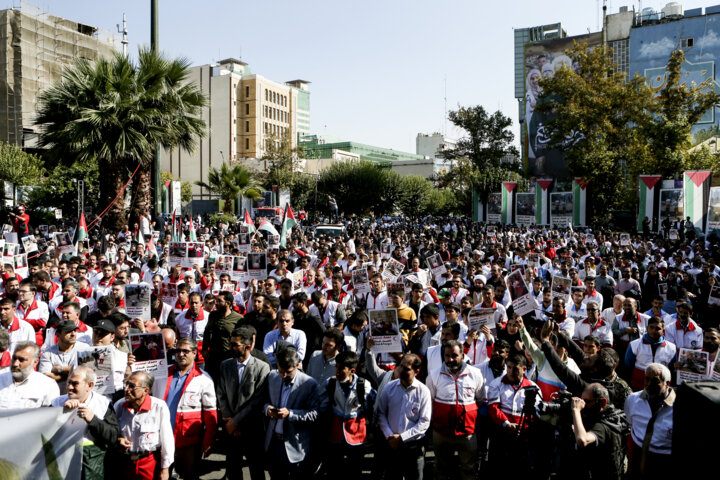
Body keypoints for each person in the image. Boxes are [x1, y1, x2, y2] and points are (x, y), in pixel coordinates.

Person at [158, 338, 217, 480]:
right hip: (163, 438)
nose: (181, 354)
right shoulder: (162, 373)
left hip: (188, 441)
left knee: (189, 476)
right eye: (178, 350)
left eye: (186, 351)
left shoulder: (204, 379)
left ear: (195, 353)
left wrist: (208, 440)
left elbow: (211, 414)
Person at [217, 326, 271, 480]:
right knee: (233, 469)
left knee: (256, 469)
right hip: (230, 428)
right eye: (231, 343)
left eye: (235, 344)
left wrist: (236, 421)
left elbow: (258, 400)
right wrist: (229, 420)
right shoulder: (225, 365)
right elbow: (221, 394)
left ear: (247, 346)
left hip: (252, 428)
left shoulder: (262, 367)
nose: (231, 347)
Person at [425, 340, 484, 480]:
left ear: (462, 355)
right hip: (441, 432)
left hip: (467, 432)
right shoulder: (434, 375)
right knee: (442, 469)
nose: (450, 359)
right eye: (447, 356)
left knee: (468, 469)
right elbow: (429, 401)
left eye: (454, 355)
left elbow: (480, 399)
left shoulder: (475, 374)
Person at [264, 347, 324, 479]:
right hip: (274, 443)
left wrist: (290, 414)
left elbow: (314, 414)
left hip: (295, 447)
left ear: (297, 365)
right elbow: (264, 400)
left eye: (288, 372)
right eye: (280, 371)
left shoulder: (309, 384)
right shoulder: (273, 376)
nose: (283, 375)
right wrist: (267, 409)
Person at [51, 366, 120, 480]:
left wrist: (93, 420)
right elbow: (43, 430)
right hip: (63, 457)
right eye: (69, 382)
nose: (69, 387)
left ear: (90, 385)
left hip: (92, 460)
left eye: (75, 384)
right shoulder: (57, 403)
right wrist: (61, 412)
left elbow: (113, 436)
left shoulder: (103, 404)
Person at [376, 353, 431, 480]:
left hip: (413, 447)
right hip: (391, 445)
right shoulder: (389, 387)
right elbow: (381, 413)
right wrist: (389, 435)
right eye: (400, 366)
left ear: (416, 372)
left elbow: (424, 422)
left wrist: (401, 438)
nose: (401, 370)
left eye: (406, 368)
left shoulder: (423, 391)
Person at [323, 350, 376, 480]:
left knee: (355, 466)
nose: (337, 371)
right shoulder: (330, 383)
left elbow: (374, 404)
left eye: (342, 369)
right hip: (335, 429)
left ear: (352, 371)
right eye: (336, 367)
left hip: (357, 430)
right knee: (334, 467)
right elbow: (322, 403)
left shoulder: (364, 386)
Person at [114, 371, 174, 480]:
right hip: (125, 463)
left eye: (132, 386)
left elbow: (167, 440)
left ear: (146, 390)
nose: (126, 389)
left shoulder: (159, 407)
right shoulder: (119, 405)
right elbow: (111, 431)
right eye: (126, 384)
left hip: (150, 464)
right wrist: (118, 439)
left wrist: (165, 469)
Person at [565, 383, 628, 480]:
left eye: (586, 402)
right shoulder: (614, 416)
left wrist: (576, 410)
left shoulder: (604, 426)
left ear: (602, 402)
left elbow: (582, 440)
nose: (583, 406)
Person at [624, 363, 674, 478]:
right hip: (636, 456)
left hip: (662, 462)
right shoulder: (632, 399)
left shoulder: (679, 408)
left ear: (668, 384)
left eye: (655, 381)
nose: (649, 384)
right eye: (647, 379)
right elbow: (630, 422)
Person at [0, 341, 60, 408]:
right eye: (14, 358)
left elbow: (50, 415)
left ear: (35, 362)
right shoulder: (1, 379)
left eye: (21, 360)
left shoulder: (48, 385)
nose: (15, 364)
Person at [38, 319, 91, 393]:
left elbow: (85, 374)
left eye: (75, 331)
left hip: (79, 395)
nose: (73, 334)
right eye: (68, 331)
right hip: (55, 395)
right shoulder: (48, 353)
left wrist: (60, 369)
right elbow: (46, 377)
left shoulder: (84, 348)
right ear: (58, 334)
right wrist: (72, 372)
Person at [624, 317, 677, 390]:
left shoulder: (672, 348)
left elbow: (672, 370)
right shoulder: (634, 345)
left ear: (663, 331)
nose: (654, 331)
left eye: (658, 328)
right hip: (638, 386)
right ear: (647, 328)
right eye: (651, 327)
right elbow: (628, 367)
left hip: (660, 388)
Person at [203, 291, 243, 379]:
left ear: (228, 303)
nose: (216, 303)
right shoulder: (213, 315)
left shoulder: (238, 318)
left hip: (228, 356)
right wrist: (205, 349)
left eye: (219, 301)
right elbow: (207, 331)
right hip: (213, 356)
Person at [174, 292, 209, 364]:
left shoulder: (208, 317)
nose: (194, 305)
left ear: (201, 303)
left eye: (196, 303)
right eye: (192, 303)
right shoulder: (179, 318)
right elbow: (177, 336)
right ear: (188, 303)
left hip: (201, 357)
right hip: (184, 356)